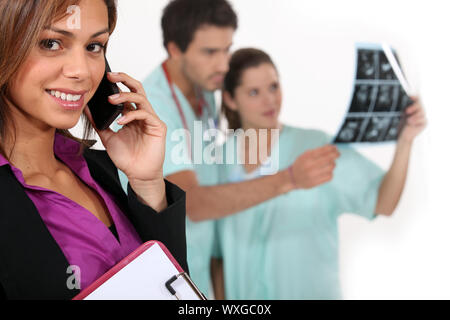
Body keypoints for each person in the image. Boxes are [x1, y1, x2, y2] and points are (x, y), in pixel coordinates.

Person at [117, 0, 339, 298]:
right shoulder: (154, 107)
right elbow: (191, 203)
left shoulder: (205, 92)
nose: (223, 65)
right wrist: (290, 179)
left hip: (199, 272)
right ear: (174, 49)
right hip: (163, 281)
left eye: (227, 49)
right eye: (210, 52)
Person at [0, 0, 187, 300]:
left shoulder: (97, 169)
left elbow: (175, 293)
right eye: (51, 43)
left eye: (94, 46)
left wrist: (148, 184)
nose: (82, 72)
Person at [216, 48, 427, 299]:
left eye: (273, 87)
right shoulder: (218, 163)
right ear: (230, 99)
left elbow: (384, 202)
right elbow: (217, 257)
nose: (269, 100)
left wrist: (405, 142)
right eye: (254, 92)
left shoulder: (316, 148)